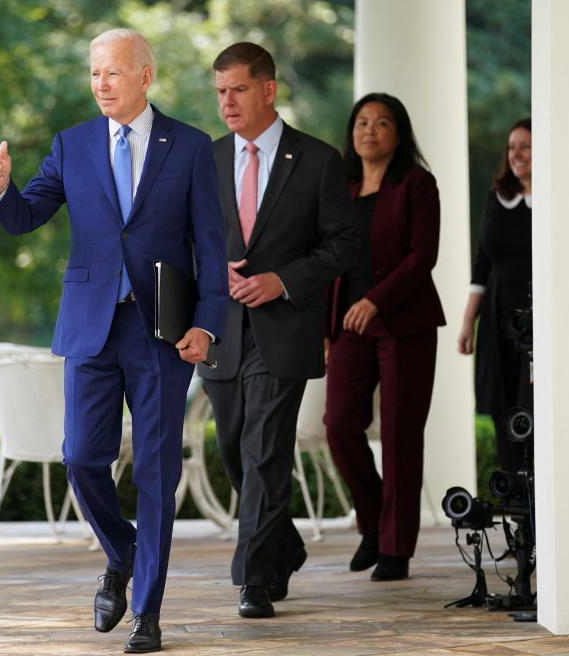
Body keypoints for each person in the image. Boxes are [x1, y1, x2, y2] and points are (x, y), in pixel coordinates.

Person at [0, 28, 227, 654]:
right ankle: (124, 553)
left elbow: (214, 252)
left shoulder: (191, 147)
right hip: (90, 326)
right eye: (94, 74)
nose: (100, 85)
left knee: (157, 472)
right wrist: (2, 187)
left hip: (163, 334)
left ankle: (147, 613)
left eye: (112, 73)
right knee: (83, 457)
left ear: (145, 76)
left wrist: (207, 324)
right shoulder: (72, 144)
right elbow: (26, 216)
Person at [198, 42, 358, 619]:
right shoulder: (206, 159)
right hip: (219, 332)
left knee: (265, 451)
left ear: (268, 89)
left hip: (284, 330)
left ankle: (253, 578)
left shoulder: (316, 160)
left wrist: (282, 280)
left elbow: (345, 243)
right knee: (235, 451)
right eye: (219, 92)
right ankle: (284, 545)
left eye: (238, 89)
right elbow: (186, 241)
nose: (227, 103)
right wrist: (213, 271)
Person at [324, 92, 445, 582]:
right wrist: (325, 328)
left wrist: (377, 299)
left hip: (404, 323)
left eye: (382, 122)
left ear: (399, 133)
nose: (369, 130)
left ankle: (396, 548)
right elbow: (329, 259)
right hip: (349, 326)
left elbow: (422, 256)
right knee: (338, 425)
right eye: (361, 122)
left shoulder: (417, 183)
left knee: (399, 437)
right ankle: (374, 523)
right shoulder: (341, 189)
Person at [457, 118, 533, 472]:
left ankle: (542, 508)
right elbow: (482, 265)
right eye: (512, 147)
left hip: (539, 318)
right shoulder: (497, 198)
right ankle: (516, 506)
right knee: (503, 406)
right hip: (497, 316)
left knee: (532, 403)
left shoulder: (554, 199)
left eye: (526, 146)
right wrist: (466, 321)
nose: (517, 154)